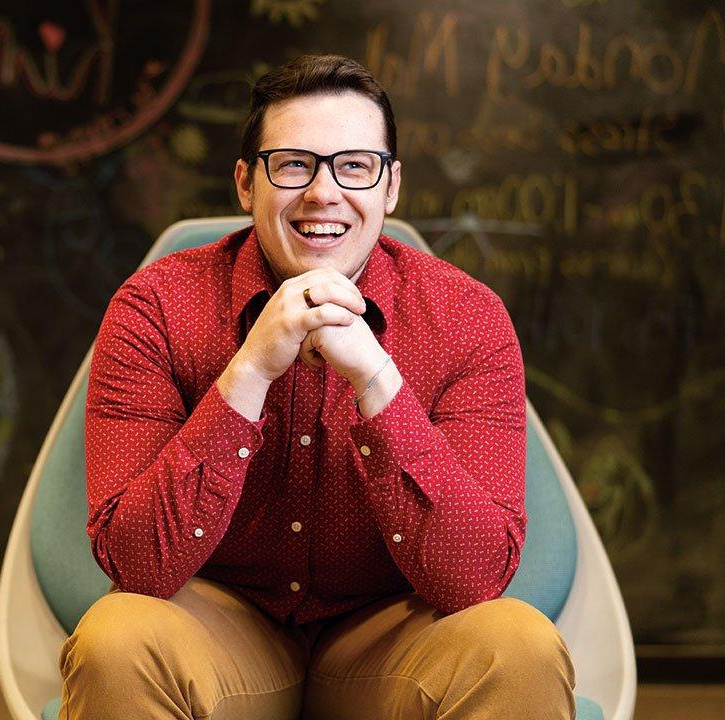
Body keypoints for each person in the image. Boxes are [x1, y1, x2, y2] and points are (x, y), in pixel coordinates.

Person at [61, 54, 575, 719]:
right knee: (116, 640)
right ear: (246, 184)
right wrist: (248, 372)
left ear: (390, 187)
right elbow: (136, 567)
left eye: (354, 166)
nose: (323, 193)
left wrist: (375, 380)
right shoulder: (155, 307)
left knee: (520, 647)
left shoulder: (468, 319)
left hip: (392, 637)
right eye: (293, 164)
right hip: (216, 629)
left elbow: (476, 576)